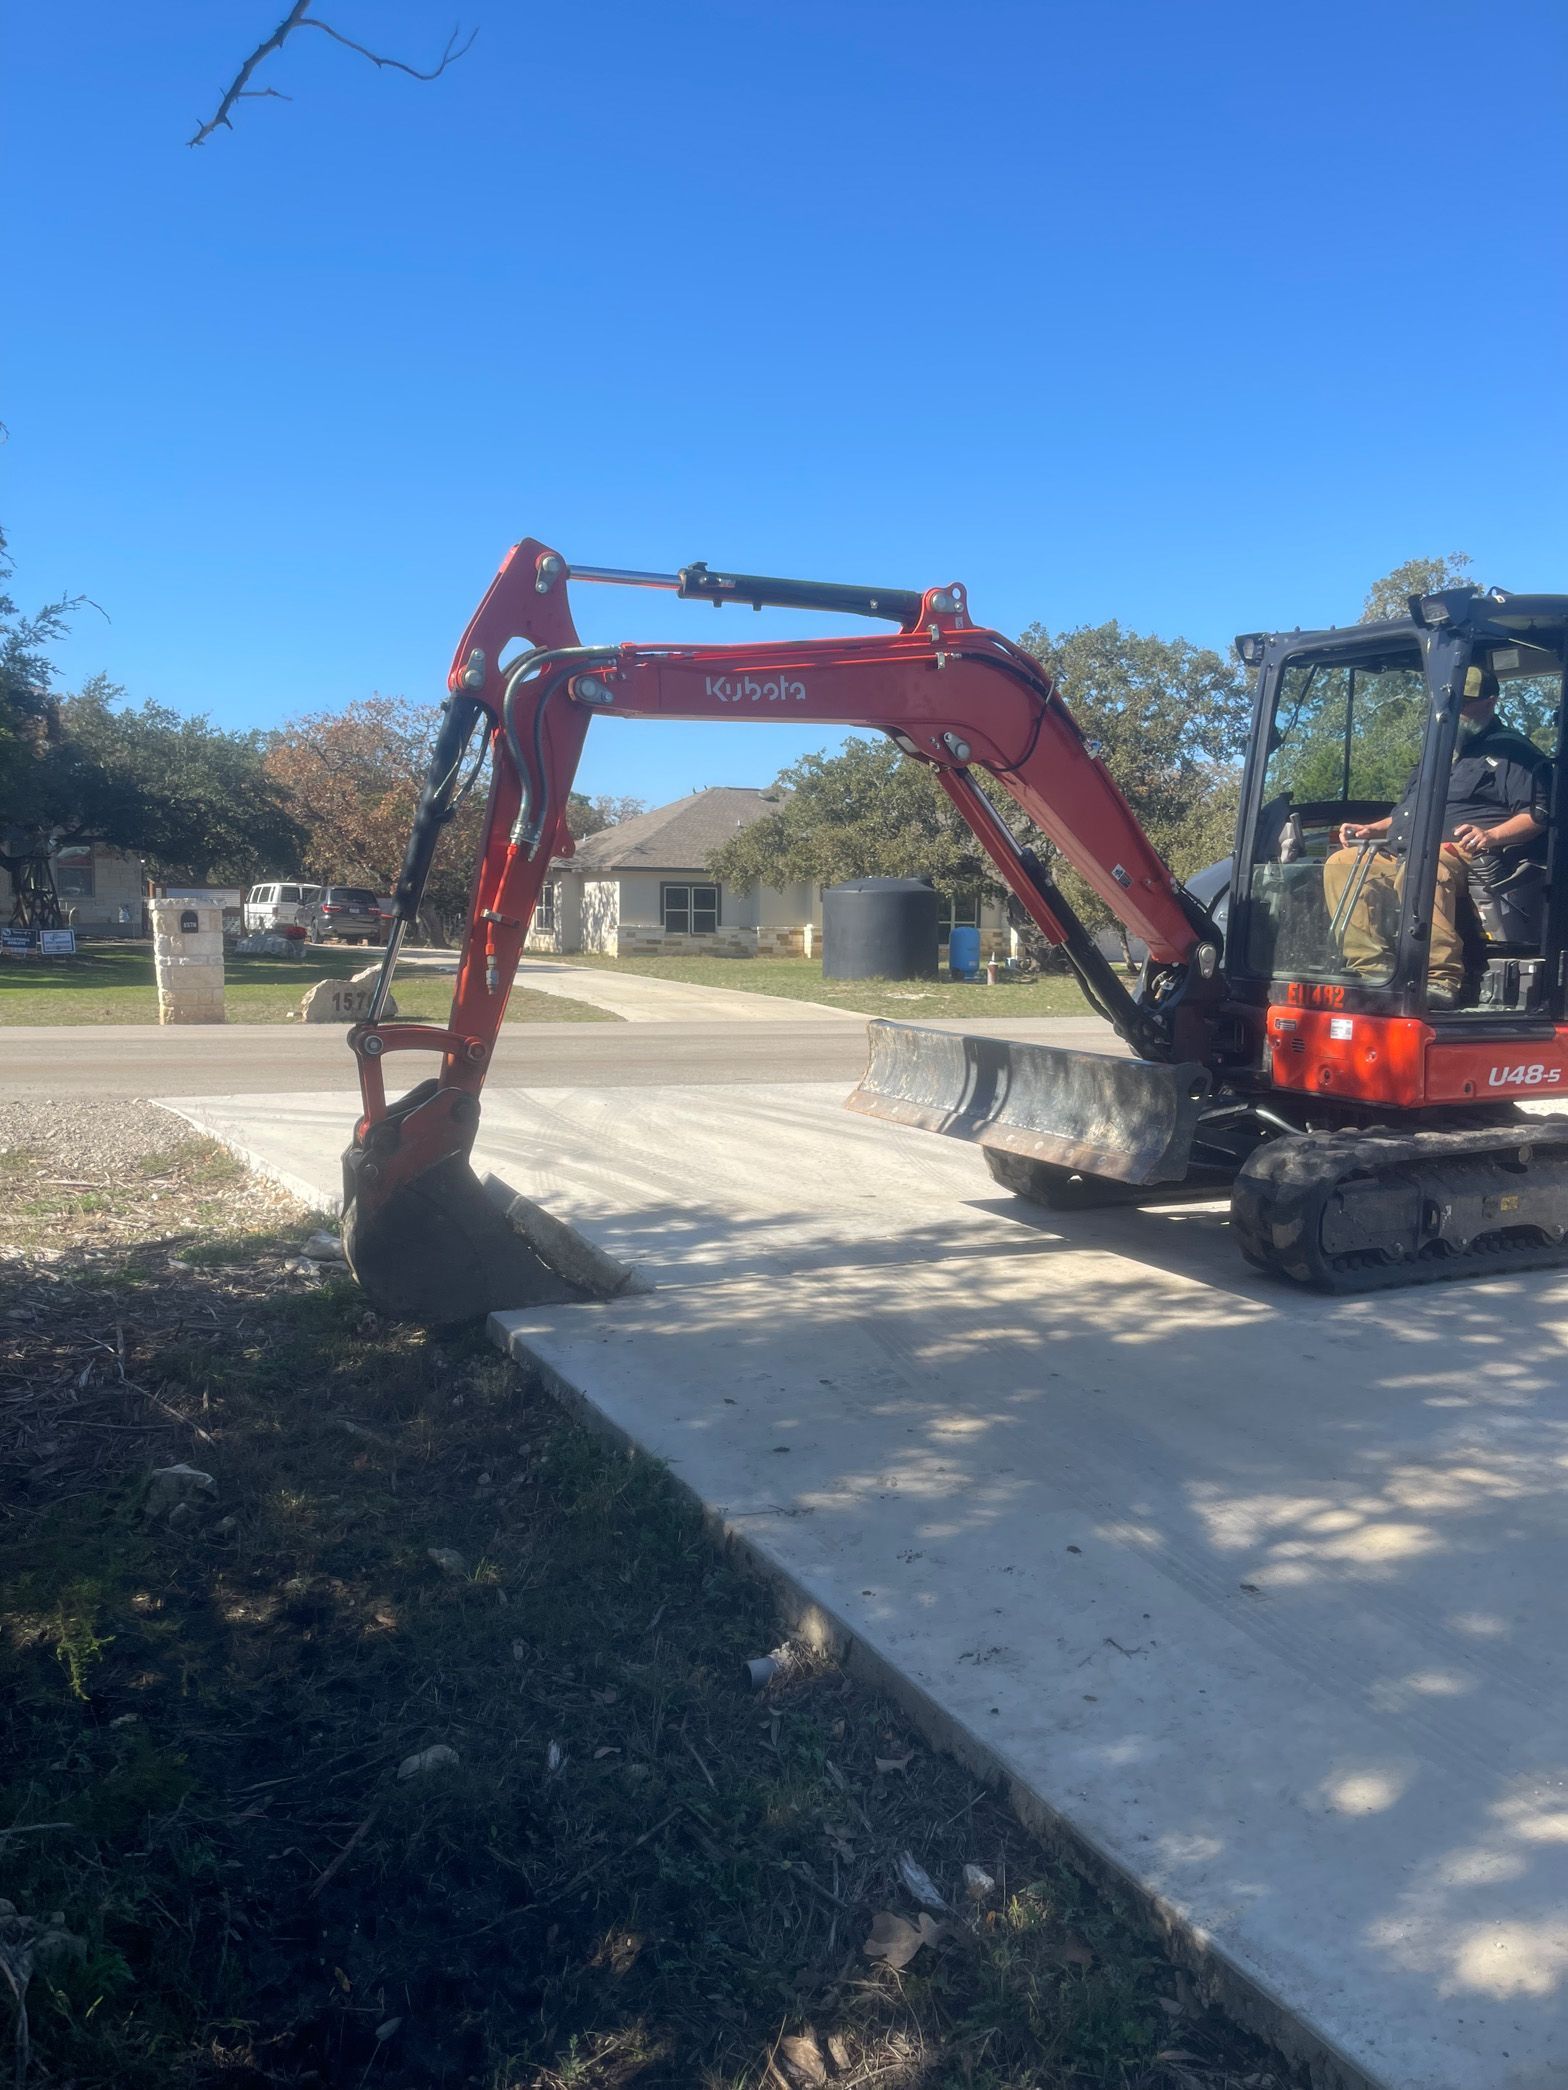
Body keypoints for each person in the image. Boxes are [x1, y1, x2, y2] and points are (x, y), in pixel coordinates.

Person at [1320, 666, 1551, 1008]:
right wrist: (1372, 830)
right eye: (1452, 702)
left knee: (1429, 867)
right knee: (1342, 863)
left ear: (1491, 702)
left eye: (1467, 703)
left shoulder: (1512, 753)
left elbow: (1537, 816)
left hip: (1471, 855)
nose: (1458, 711)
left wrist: (1490, 835)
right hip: (1409, 851)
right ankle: (1373, 969)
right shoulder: (1439, 753)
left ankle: (1440, 979)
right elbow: (1408, 813)